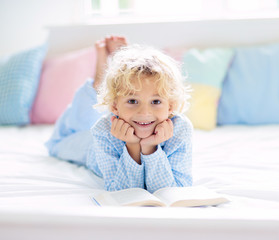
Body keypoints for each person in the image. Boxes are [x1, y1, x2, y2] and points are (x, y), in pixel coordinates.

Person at [45, 36, 193, 193]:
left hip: (122, 118)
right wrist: (132, 147)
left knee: (105, 106)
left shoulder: (180, 130)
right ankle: (99, 82)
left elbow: (175, 191)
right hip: (90, 148)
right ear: (114, 106)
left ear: (170, 106)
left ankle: (113, 72)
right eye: (133, 101)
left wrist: (150, 148)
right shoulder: (102, 130)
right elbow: (121, 191)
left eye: (156, 102)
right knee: (58, 143)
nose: (144, 112)